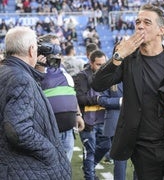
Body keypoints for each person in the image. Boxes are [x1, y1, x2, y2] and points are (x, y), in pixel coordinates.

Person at [92, 4, 164, 180]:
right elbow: (98, 84)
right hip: (142, 148)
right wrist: (118, 56)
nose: (140, 26)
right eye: (138, 22)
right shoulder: (127, 59)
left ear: (161, 29)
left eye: (147, 22)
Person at [0, 26, 71, 179]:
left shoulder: (6, 71)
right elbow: (17, 130)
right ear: (32, 50)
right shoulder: (21, 79)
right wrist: (49, 150)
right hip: (25, 168)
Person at [38, 33, 85, 161]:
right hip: (50, 129)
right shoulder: (35, 68)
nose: (59, 50)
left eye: (59, 46)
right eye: (55, 46)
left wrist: (78, 115)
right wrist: (38, 69)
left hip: (68, 127)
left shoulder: (60, 67)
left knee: (64, 170)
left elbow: (70, 91)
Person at [74, 49, 111, 180]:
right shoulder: (81, 77)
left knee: (106, 146)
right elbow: (80, 99)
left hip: (103, 118)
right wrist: (98, 100)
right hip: (87, 121)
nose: (102, 67)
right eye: (99, 64)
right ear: (91, 63)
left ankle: (90, 167)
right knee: (90, 151)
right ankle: (89, 176)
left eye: (104, 64)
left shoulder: (107, 76)